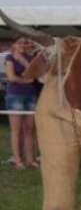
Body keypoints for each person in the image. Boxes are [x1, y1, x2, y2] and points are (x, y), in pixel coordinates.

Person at [4, 36, 40, 169]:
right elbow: (11, 77)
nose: (22, 45)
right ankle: (18, 160)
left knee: (29, 129)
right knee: (16, 130)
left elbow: (34, 74)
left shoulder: (29, 58)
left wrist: (22, 60)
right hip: (15, 96)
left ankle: (30, 160)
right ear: (13, 44)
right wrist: (25, 80)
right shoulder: (9, 58)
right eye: (19, 42)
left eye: (24, 42)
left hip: (30, 95)